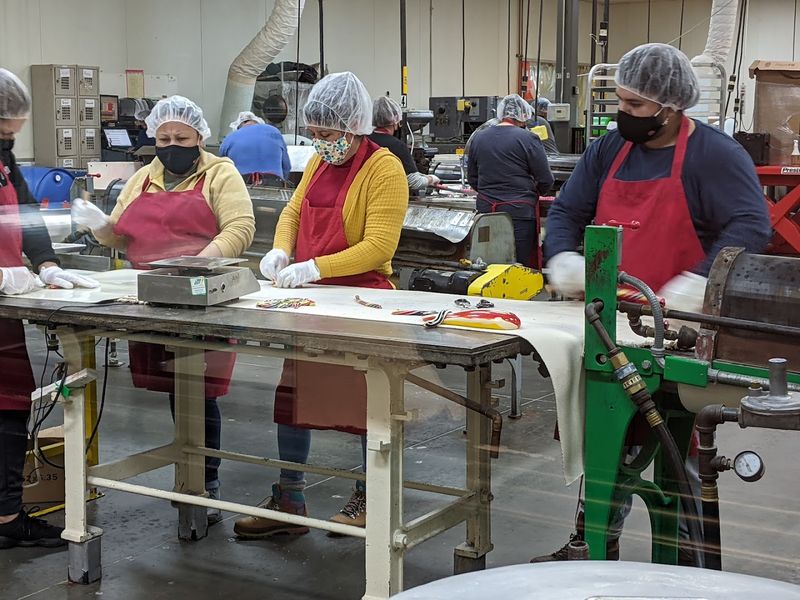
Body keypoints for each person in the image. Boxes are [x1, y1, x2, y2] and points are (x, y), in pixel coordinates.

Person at [535, 43, 772, 562]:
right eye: (620, 101)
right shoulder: (608, 151)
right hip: (608, 329)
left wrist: (698, 282)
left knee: (675, 447)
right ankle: (592, 543)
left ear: (671, 106)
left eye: (637, 106)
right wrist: (564, 257)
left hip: (679, 332)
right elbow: (567, 211)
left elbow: (752, 225)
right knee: (605, 440)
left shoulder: (714, 154)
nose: (625, 114)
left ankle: (689, 561)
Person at [234, 72, 407, 538]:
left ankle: (370, 495)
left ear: (353, 127)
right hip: (310, 300)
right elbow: (293, 210)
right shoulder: (317, 162)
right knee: (294, 398)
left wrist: (315, 268)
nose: (319, 142)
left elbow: (378, 245)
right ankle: (290, 498)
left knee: (364, 405)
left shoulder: (384, 168)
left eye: (326, 135)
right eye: (313, 134)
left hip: (362, 301)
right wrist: (282, 250)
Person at [72, 95, 255, 525]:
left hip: (203, 299)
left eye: (181, 137)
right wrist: (100, 226)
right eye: (164, 137)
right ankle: (188, 473)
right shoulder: (142, 179)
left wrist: (197, 266)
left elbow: (240, 228)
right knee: (176, 389)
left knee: (201, 391)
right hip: (152, 298)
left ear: (200, 137)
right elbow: (122, 238)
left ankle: (205, 483)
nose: (172, 145)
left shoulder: (220, 174)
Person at [0, 68, 98, 549]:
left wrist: (46, 264)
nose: (8, 141)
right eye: (3, 131)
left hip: (5, 308)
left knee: (9, 407)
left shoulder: (2, 160)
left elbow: (24, 214)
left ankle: (4, 513)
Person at [467, 93, 554, 268]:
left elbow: (472, 178)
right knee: (517, 264)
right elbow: (545, 179)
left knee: (487, 263)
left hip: (486, 212)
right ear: (524, 116)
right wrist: (535, 193)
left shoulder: (478, 137)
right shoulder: (528, 138)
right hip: (518, 212)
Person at [369, 96, 440, 192]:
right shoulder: (397, 146)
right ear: (396, 120)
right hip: (389, 195)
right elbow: (414, 182)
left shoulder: (365, 141)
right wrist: (431, 179)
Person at [220, 110, 291, 184]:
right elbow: (286, 165)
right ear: (258, 122)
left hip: (241, 183)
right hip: (274, 181)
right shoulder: (274, 132)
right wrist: (283, 182)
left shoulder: (229, 138)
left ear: (240, 125)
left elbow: (222, 168)